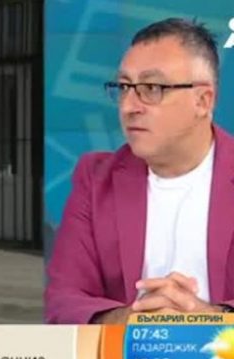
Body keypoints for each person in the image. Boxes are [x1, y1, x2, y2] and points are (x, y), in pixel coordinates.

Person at [45, 18, 234, 324]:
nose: (128, 107)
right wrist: (137, 319)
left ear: (203, 100)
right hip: (127, 351)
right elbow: (63, 303)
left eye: (152, 88)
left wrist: (209, 319)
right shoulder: (96, 179)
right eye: (124, 87)